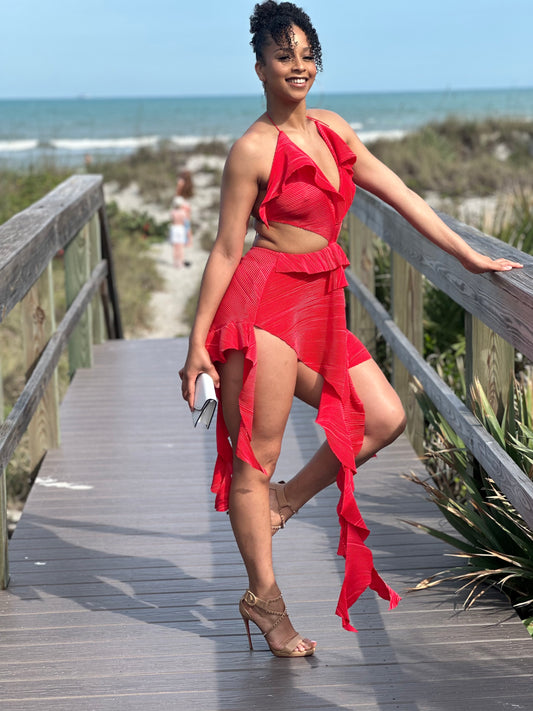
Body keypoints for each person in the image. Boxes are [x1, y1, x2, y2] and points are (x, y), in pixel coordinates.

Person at [180, 0, 522, 658]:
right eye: (284, 56)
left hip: (322, 301)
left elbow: (401, 192)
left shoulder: (333, 131)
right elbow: (225, 249)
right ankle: (267, 603)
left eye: (307, 55)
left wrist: (468, 254)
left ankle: (284, 502)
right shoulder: (252, 149)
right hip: (266, 304)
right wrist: (197, 340)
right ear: (259, 68)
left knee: (383, 415)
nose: (298, 66)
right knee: (256, 457)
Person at [169, 196, 192, 268]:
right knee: (181, 247)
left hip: (174, 228)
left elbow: (172, 221)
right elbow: (185, 222)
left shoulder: (172, 212)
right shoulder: (183, 212)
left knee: (175, 247)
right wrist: (188, 233)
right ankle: (181, 262)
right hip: (181, 228)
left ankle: (175, 262)